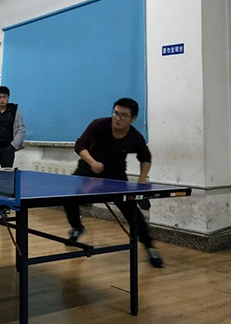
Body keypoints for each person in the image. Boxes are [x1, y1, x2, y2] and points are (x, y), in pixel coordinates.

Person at [64, 98, 163, 268]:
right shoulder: (99, 125)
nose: (117, 118)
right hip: (88, 170)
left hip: (115, 176)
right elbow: (80, 145)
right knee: (68, 196)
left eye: (123, 115)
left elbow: (145, 158)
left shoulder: (134, 137)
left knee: (132, 212)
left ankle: (149, 246)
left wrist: (141, 182)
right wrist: (93, 163)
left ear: (133, 118)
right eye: (116, 113)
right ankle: (76, 227)